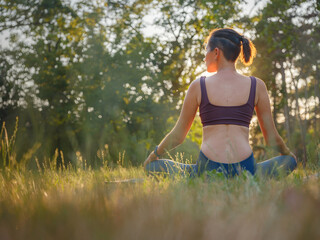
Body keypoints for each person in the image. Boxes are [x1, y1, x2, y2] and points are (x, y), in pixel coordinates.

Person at [143, 28, 297, 179]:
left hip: (207, 169)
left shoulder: (198, 86)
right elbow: (271, 138)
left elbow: (178, 136)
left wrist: (154, 155)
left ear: (216, 52)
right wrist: (287, 154)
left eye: (206, 50)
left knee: (153, 167)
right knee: (290, 162)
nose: (204, 57)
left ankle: (196, 176)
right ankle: (251, 177)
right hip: (246, 170)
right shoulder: (257, 85)